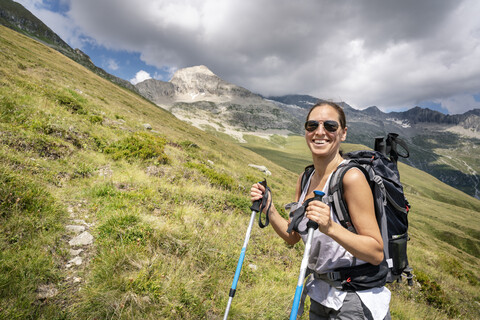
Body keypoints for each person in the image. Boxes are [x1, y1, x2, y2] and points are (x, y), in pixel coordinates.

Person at [250, 101, 391, 320]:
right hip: (320, 294)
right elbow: (293, 237)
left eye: (330, 126)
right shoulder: (305, 178)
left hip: (355, 300)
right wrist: (269, 208)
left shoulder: (351, 177)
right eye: (312, 125)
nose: (320, 132)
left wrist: (330, 227)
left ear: (343, 133)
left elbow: (375, 252)